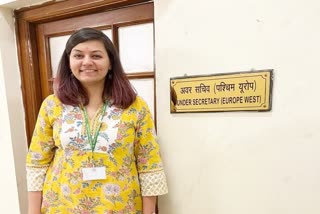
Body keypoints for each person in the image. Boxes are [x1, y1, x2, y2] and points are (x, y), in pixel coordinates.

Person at [26, 27, 168, 214]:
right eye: (78, 56)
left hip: (120, 207)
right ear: (68, 62)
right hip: (62, 206)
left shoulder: (135, 106)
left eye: (96, 56)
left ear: (110, 63)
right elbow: (37, 163)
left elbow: (150, 166)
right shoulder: (53, 105)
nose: (87, 62)